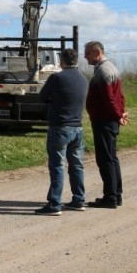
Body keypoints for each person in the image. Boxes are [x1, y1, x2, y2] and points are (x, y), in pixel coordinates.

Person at [35, 48, 88, 216]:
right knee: (76, 165)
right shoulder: (82, 78)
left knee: (57, 165)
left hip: (60, 127)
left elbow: (42, 98)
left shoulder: (56, 77)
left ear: (62, 61)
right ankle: (79, 199)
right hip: (77, 127)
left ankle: (55, 203)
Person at [84, 41, 129, 209]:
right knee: (111, 157)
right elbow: (120, 96)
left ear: (97, 53)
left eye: (87, 53)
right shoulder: (111, 68)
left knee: (105, 159)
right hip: (109, 119)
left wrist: (118, 115)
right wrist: (121, 113)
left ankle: (110, 197)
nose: (85, 57)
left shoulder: (103, 71)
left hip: (104, 120)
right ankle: (116, 195)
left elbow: (109, 98)